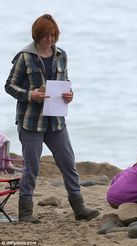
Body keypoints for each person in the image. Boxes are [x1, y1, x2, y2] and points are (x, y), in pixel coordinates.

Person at [5, 14, 99, 223]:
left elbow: (64, 83)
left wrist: (70, 95)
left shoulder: (61, 55)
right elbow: (9, 85)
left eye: (53, 35)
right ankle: (26, 213)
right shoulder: (24, 57)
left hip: (56, 120)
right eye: (46, 35)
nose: (50, 39)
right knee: (32, 168)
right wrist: (31, 94)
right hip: (31, 122)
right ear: (37, 36)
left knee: (68, 164)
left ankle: (79, 207)